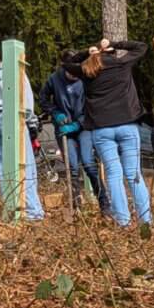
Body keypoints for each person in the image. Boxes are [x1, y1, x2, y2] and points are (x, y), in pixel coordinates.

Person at [64, 39, 152, 227]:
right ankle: (146, 222)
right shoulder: (121, 64)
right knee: (134, 173)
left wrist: (86, 52)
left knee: (113, 174)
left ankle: (123, 222)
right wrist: (115, 43)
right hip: (127, 125)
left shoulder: (87, 70)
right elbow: (141, 46)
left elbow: (67, 65)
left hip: (102, 130)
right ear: (111, 53)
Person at [39, 57, 107, 213]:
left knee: (89, 164)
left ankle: (104, 204)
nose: (75, 76)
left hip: (84, 128)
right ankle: (75, 206)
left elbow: (93, 106)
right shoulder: (54, 79)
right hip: (64, 129)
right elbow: (43, 99)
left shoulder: (86, 79)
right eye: (72, 73)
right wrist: (55, 112)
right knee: (72, 168)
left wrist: (78, 124)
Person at [0, 59, 44, 220]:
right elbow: (26, 100)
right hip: (13, 117)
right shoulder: (17, 70)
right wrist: (31, 122)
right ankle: (32, 212)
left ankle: (10, 210)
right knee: (26, 166)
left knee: (4, 168)